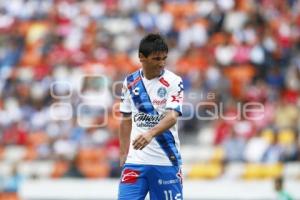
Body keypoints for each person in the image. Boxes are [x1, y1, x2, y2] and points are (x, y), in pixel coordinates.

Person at [118, 33, 184, 200]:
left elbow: (172, 116)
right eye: (156, 59)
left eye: (164, 58)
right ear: (142, 57)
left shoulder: (174, 81)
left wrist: (149, 134)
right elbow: (125, 119)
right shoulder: (130, 82)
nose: (161, 63)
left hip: (165, 161)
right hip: (136, 162)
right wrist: (124, 152)